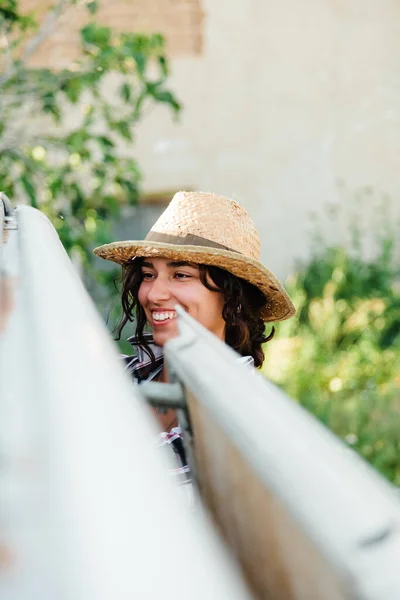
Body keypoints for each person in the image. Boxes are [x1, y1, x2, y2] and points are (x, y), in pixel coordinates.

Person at [93, 191, 295, 496]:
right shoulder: (113, 373)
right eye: (149, 274)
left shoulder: (244, 417)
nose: (154, 294)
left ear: (232, 296)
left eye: (181, 275)